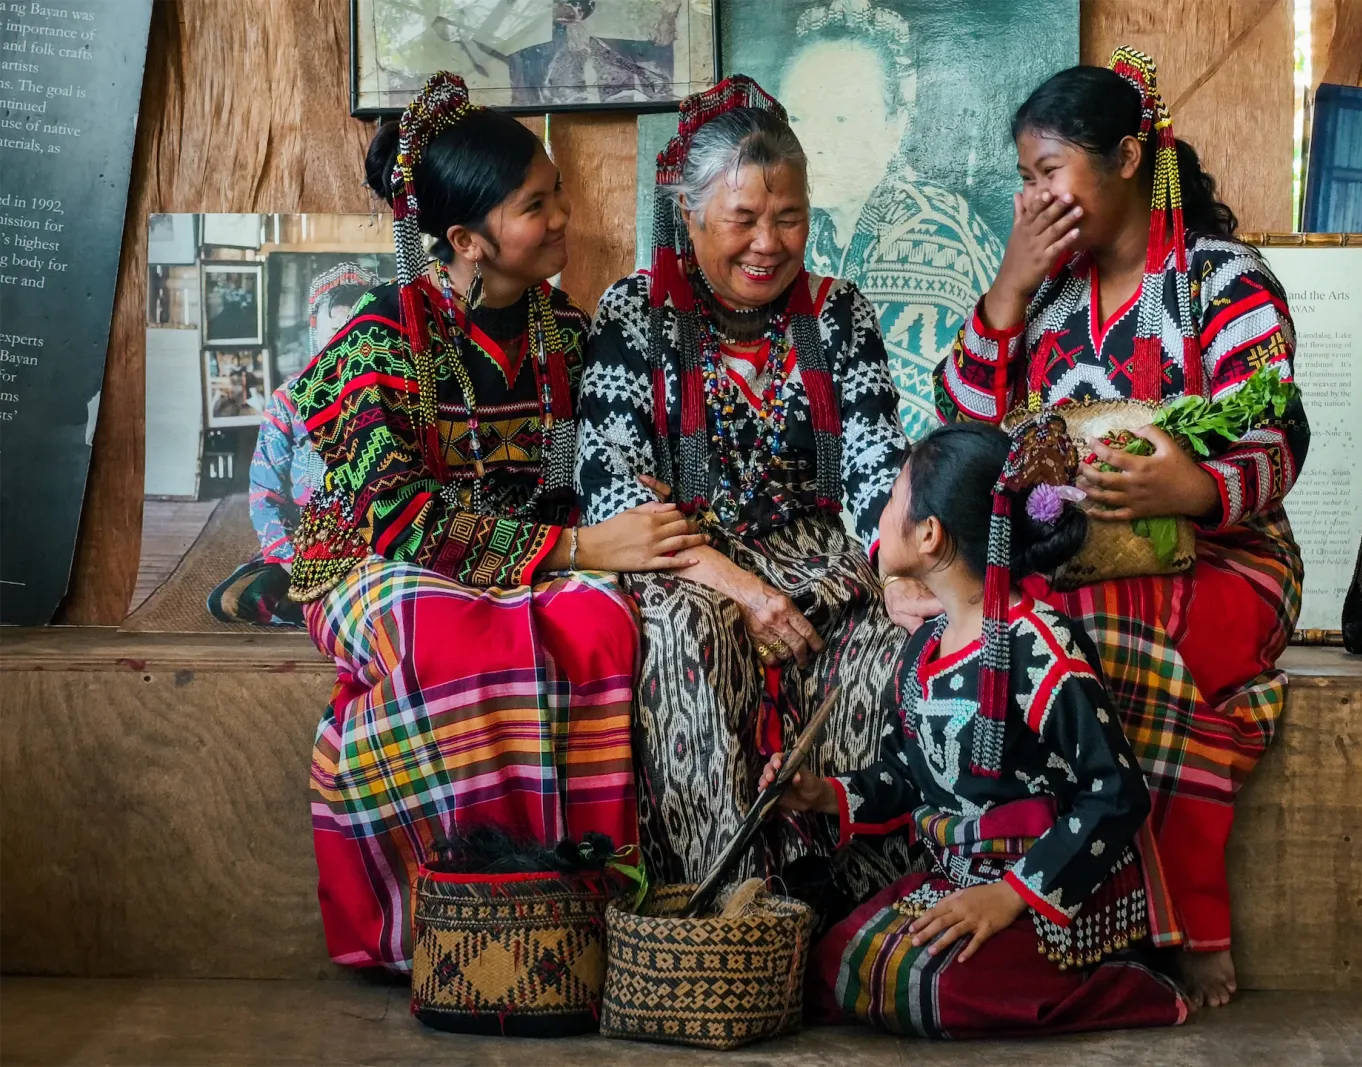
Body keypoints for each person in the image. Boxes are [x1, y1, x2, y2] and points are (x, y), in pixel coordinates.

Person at [287, 72, 709, 971]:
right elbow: (401, 521)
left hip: (526, 566)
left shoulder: (564, 332)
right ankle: (434, 918)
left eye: (558, 192)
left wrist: (604, 546)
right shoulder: (382, 341)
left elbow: (590, 475)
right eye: (536, 205)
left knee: (599, 624)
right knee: (452, 633)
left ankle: (577, 905)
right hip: (374, 564)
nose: (563, 216)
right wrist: (582, 548)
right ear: (467, 241)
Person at [934, 49, 1310, 1006]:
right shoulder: (1048, 291)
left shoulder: (1222, 281)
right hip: (1079, 567)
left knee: (1116, 640)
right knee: (1025, 640)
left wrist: (1186, 488)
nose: (1033, 198)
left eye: (1048, 172)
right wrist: (1009, 288)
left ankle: (1193, 921)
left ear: (1131, 157)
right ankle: (1071, 922)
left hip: (1231, 559)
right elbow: (965, 436)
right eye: (1023, 179)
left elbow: (1280, 433)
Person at [578, 76, 942, 913]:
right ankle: (724, 908)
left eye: (789, 218)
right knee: (685, 637)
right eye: (742, 220)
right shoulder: (637, 314)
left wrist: (893, 568)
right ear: (691, 213)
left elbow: (872, 459)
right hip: (686, 565)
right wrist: (742, 589)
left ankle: (856, 913)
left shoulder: (838, 313)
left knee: (898, 645)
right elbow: (612, 490)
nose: (767, 244)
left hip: (823, 562)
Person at [760, 422, 1188, 1037]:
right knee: (834, 964)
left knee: (932, 988)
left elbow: (1116, 793)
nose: (880, 516)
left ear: (929, 534)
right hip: (957, 882)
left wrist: (1012, 894)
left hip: (1041, 894)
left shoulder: (1041, 650)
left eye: (891, 500)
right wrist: (820, 793)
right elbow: (908, 777)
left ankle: (1124, 985)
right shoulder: (922, 651)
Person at [777, 0, 1003, 438]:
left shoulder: (931, 233)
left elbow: (907, 432)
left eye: (840, 118)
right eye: (797, 118)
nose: (811, 143)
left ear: (895, 125)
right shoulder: (813, 230)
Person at [209, 265, 375, 627]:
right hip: (305, 546)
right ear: (315, 331)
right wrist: (290, 558)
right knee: (227, 601)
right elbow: (264, 493)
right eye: (337, 331)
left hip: (374, 545)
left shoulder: (392, 395)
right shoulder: (289, 400)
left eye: (358, 330)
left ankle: (326, 607)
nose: (347, 342)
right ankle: (318, 607)